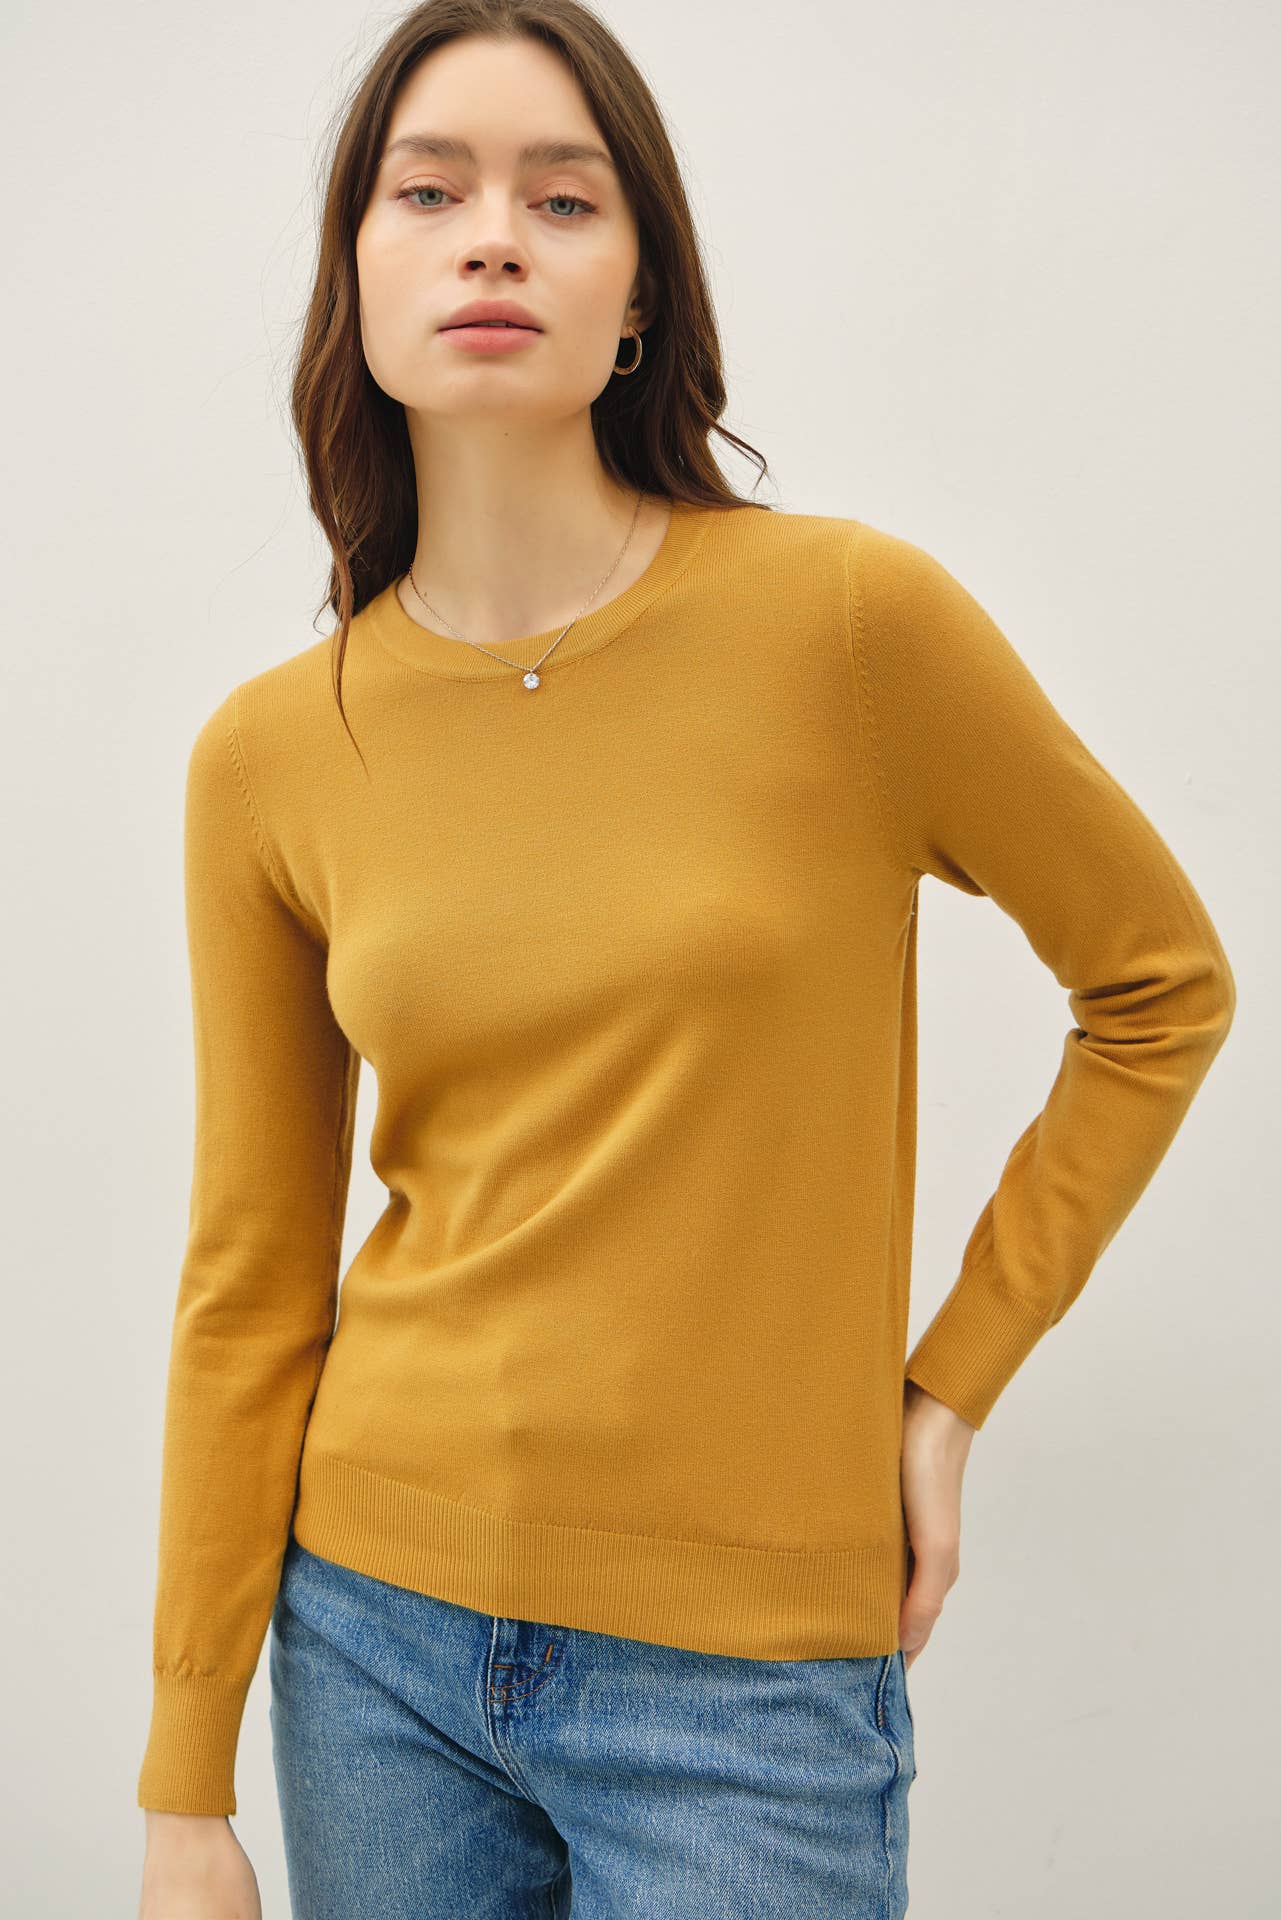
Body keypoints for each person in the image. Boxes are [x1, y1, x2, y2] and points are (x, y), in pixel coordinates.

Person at [136, 3, 1237, 1917]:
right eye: (429, 192)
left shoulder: (848, 627)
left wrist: (947, 1388)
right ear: (357, 271)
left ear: (637, 293)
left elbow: (1157, 986)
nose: (493, 237)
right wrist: (182, 1788)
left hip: (746, 1683)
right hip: (371, 1644)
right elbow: (249, 1281)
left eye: (562, 199)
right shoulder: (271, 754)